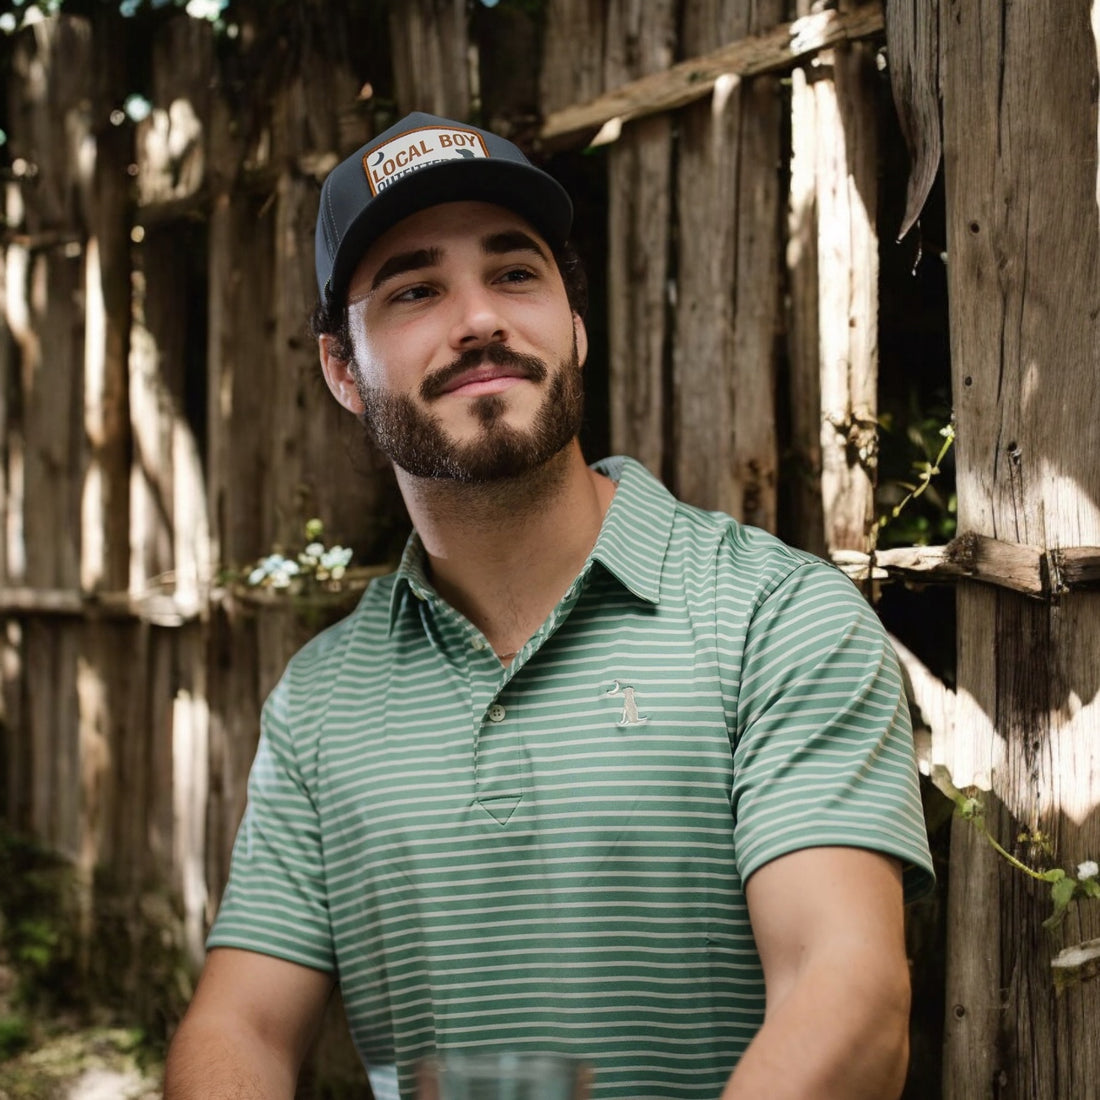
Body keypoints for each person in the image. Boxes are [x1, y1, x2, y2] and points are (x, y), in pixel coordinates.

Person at [163, 111, 934, 1100]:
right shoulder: (319, 705)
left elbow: (849, 995)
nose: (478, 316)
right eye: (415, 288)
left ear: (573, 322)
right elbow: (240, 1027)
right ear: (342, 369)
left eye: (514, 272)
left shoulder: (773, 618)